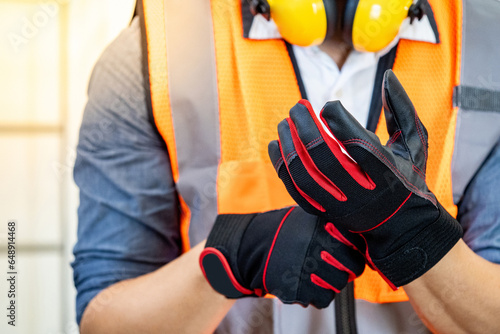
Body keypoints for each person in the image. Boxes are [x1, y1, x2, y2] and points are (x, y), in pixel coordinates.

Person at [72, 0, 500, 333]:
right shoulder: (157, 49)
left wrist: (419, 238)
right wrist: (234, 257)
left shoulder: (488, 47)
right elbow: (104, 320)